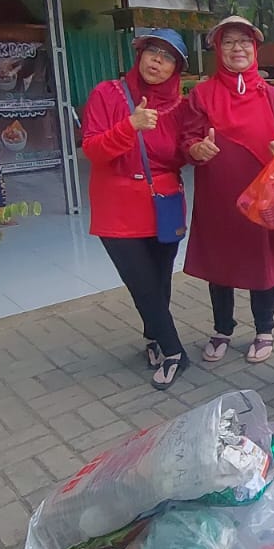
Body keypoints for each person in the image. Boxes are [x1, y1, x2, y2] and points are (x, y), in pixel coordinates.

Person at [182, 14, 274, 363]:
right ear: (218, 49)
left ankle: (265, 330)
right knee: (220, 264)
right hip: (217, 195)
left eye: (245, 41)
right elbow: (188, 137)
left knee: (263, 264)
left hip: (262, 195)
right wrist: (196, 149)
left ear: (255, 48)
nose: (237, 48)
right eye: (229, 42)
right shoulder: (201, 94)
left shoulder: (272, 96)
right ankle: (222, 329)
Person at [81, 29, 190, 390]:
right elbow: (93, 150)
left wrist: (197, 151)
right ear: (139, 54)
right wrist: (130, 126)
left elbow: (179, 155)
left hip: (164, 203)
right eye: (152, 51)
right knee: (141, 283)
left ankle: (154, 338)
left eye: (168, 57)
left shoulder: (179, 107)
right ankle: (175, 352)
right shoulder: (107, 93)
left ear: (176, 69)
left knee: (159, 281)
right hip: (117, 207)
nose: (157, 60)